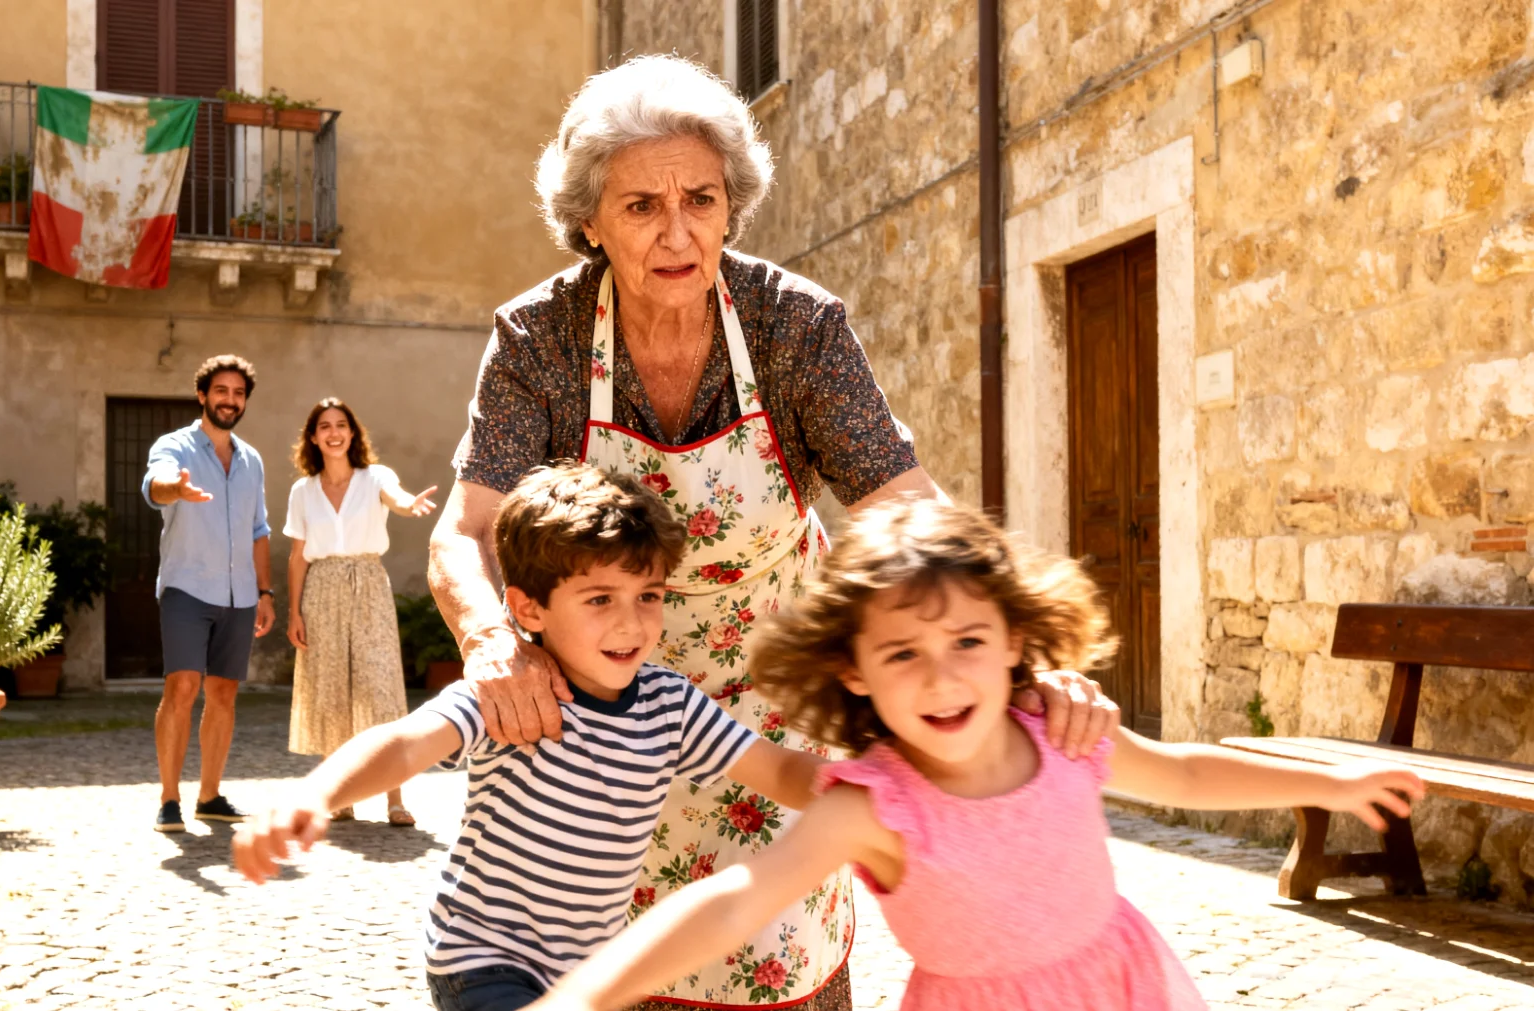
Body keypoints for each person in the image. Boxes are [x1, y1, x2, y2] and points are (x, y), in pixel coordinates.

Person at [429, 54, 1119, 1009]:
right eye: (641, 206)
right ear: (589, 222)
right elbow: (469, 528)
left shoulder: (795, 327)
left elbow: (906, 510)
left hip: (770, 723)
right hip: (595, 731)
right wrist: (493, 642)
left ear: (732, 207)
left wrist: (1018, 656)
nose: (677, 232)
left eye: (701, 200)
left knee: (776, 956)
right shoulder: (538, 338)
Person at [526, 499, 1428, 1011]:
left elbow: (1186, 772)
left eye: (967, 640)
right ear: (855, 670)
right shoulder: (872, 805)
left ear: (1012, 640)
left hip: (1121, 988)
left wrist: (1333, 780)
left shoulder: (1060, 732)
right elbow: (737, 899)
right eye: (903, 653)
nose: (942, 675)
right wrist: (583, 995)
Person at [234, 464, 831, 1011]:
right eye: (600, 599)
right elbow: (406, 742)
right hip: (482, 960)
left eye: (648, 596)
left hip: (584, 978)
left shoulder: (670, 704)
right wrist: (315, 795)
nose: (631, 622)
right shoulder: (511, 691)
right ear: (528, 609)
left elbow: (779, 771)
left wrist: (865, 785)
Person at [282, 396, 438, 827]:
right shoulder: (303, 491)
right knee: (331, 692)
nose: (334, 433)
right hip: (321, 590)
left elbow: (397, 498)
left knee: (380, 688)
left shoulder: (375, 478)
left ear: (352, 434)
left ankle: (395, 799)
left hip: (368, 585)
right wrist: (294, 613)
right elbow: (297, 557)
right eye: (325, 426)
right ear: (314, 437)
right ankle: (340, 797)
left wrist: (409, 505)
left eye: (341, 425)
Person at [144, 354, 275, 832]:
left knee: (223, 693)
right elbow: (155, 485)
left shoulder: (252, 460)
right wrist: (174, 489)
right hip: (187, 586)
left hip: (240, 595)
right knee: (182, 687)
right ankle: (169, 799)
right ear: (202, 395)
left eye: (238, 393)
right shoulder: (174, 447)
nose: (229, 400)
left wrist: (265, 592)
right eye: (221, 391)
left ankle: (210, 796)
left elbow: (259, 530)